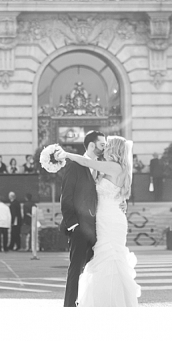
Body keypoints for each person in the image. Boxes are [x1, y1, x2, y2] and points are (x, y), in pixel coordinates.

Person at [56, 134, 140, 308]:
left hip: (108, 220)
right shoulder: (114, 168)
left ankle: (107, 303)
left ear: (114, 149)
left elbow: (87, 163)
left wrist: (67, 154)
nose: (104, 148)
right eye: (102, 145)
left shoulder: (112, 166)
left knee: (108, 258)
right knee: (105, 258)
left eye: (107, 146)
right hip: (104, 219)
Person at [58, 129, 105, 307]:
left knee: (98, 269)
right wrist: (73, 225)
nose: (105, 148)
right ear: (92, 145)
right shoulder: (74, 166)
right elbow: (66, 197)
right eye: (102, 145)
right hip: (79, 228)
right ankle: (70, 306)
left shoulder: (104, 166)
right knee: (76, 269)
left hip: (99, 228)